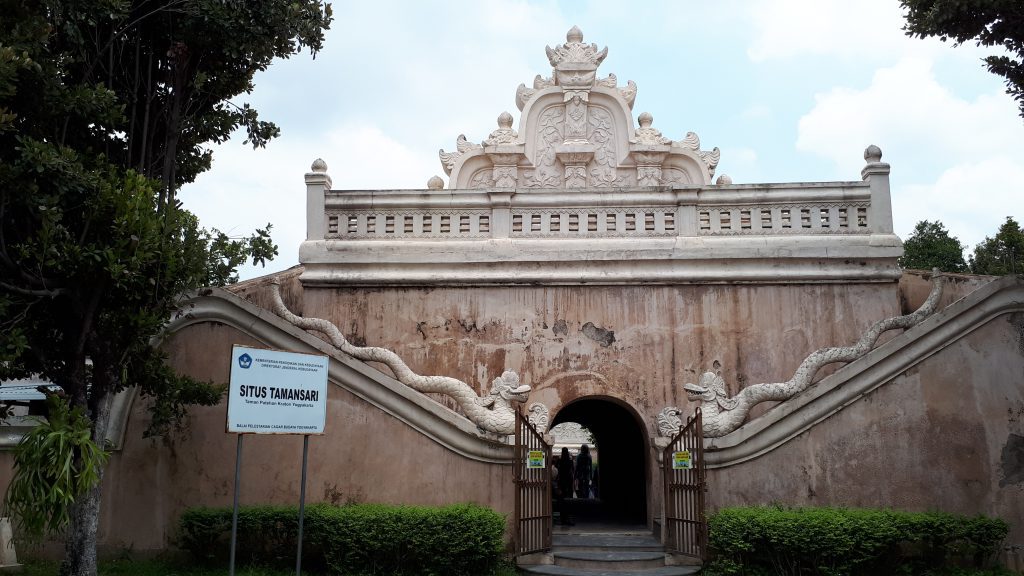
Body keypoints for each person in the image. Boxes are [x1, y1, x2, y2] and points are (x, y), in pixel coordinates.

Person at [556, 447, 575, 525]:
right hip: (568, 482)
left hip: (561, 482)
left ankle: (563, 518)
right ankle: (569, 518)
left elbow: (557, 471)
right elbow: (572, 471)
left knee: (561, 500)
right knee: (569, 499)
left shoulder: (559, 461)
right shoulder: (570, 461)